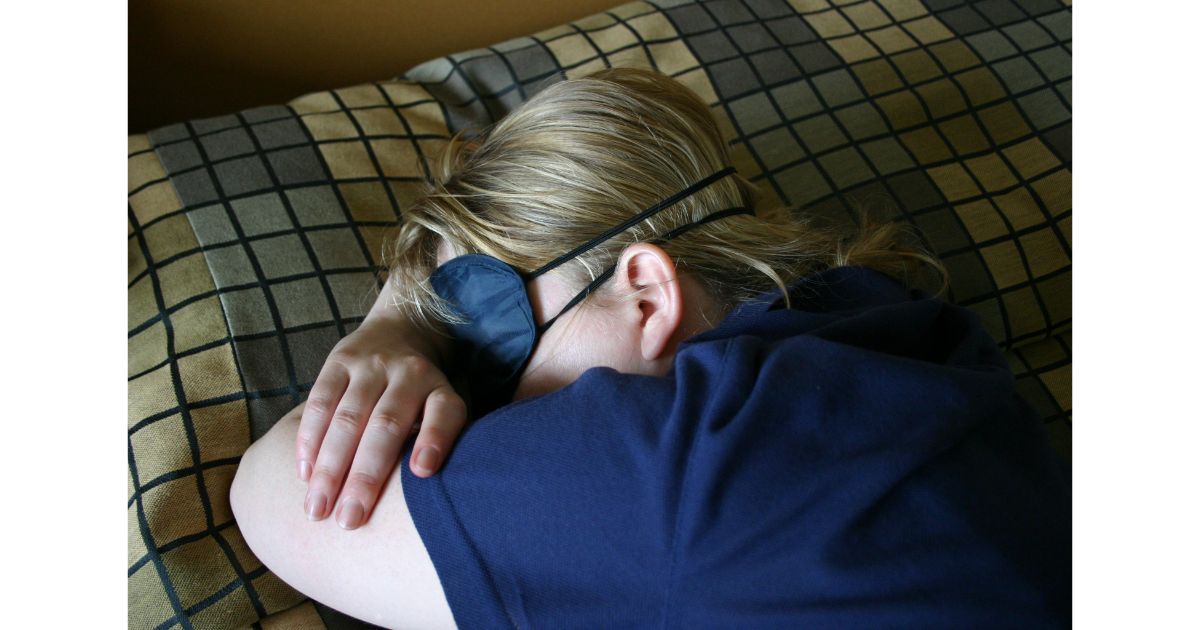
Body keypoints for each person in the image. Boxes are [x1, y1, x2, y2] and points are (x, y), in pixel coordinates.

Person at [230, 68, 1070, 628]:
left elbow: (276, 498)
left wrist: (393, 327)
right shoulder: (913, 330)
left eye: (494, 337)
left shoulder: (659, 458)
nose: (487, 394)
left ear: (646, 292)